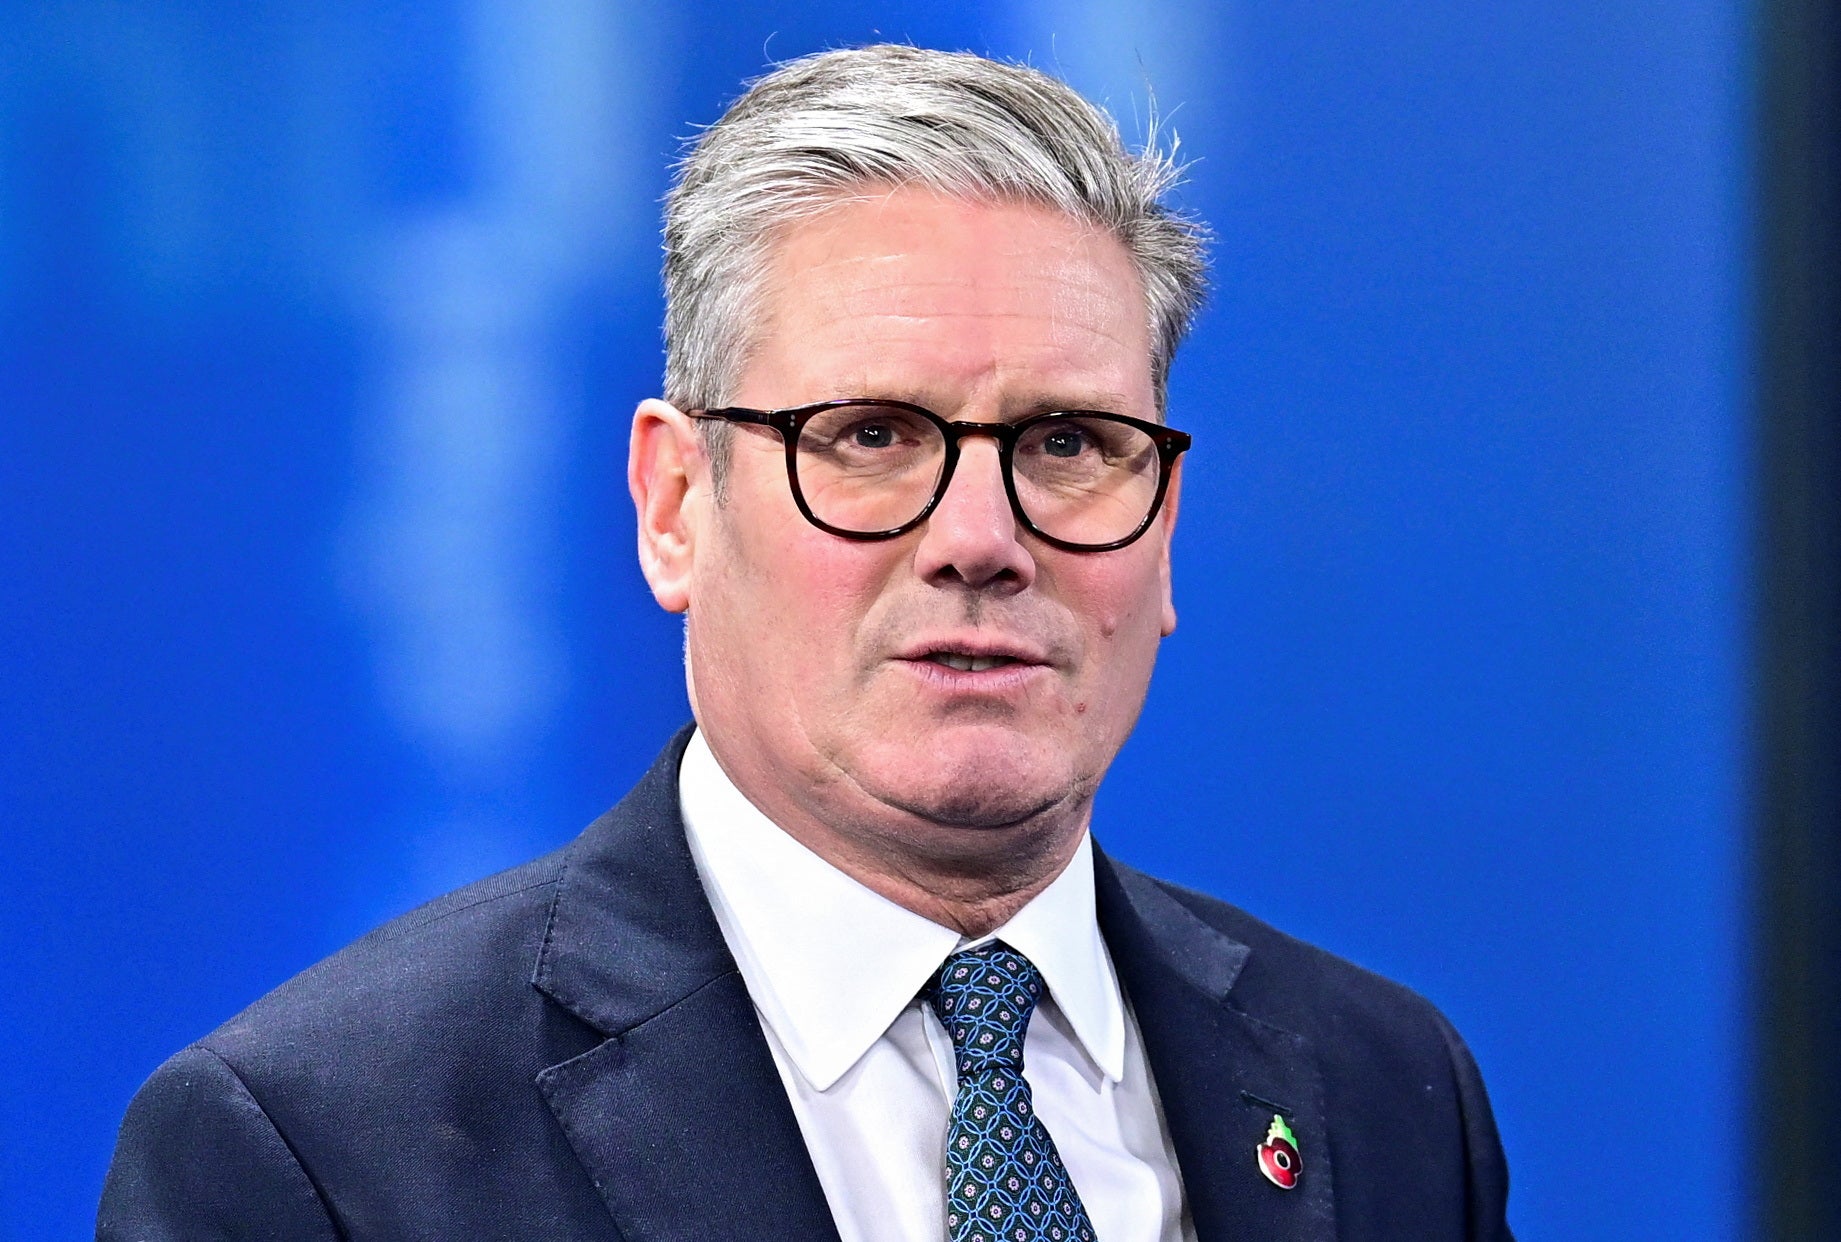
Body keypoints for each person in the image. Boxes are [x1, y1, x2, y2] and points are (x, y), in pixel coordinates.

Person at [99, 44, 1512, 1241]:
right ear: (674, 506)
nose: (980, 536)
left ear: (1163, 526)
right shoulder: (316, 1148)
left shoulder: (1383, 1091)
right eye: (872, 437)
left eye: (1069, 441)